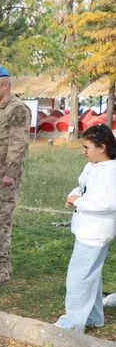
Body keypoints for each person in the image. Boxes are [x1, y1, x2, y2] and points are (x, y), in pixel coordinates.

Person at [54, 125, 116, 333]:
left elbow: (107, 203)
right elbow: (82, 186)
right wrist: (74, 196)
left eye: (87, 147)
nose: (84, 151)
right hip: (86, 230)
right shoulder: (93, 166)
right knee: (91, 276)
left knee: (79, 278)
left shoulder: (110, 172)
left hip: (95, 233)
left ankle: (71, 324)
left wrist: (79, 201)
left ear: (102, 147)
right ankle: (93, 316)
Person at [0, 67, 31, 285]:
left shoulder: (17, 109)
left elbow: (18, 143)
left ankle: (2, 269)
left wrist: (10, 173)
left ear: (5, 85)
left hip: (4, 177)